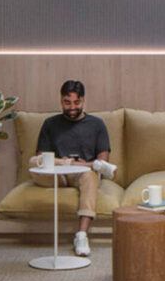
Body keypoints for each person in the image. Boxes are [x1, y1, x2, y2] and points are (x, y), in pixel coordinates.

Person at [30, 79, 116, 256]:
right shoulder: (50, 124)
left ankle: (82, 235)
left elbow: (103, 158)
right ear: (61, 101)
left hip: (83, 174)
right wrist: (66, 163)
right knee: (33, 161)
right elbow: (41, 158)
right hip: (57, 175)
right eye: (67, 102)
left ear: (83, 101)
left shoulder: (96, 124)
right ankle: (71, 164)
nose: (72, 107)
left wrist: (82, 166)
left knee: (91, 173)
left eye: (76, 102)